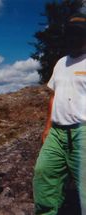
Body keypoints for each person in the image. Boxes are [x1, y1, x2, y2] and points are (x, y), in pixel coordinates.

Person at [33, 13, 86, 215]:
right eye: (71, 33)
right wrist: (47, 127)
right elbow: (54, 97)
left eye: (80, 34)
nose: (75, 38)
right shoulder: (60, 63)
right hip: (56, 132)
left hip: (83, 132)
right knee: (43, 173)